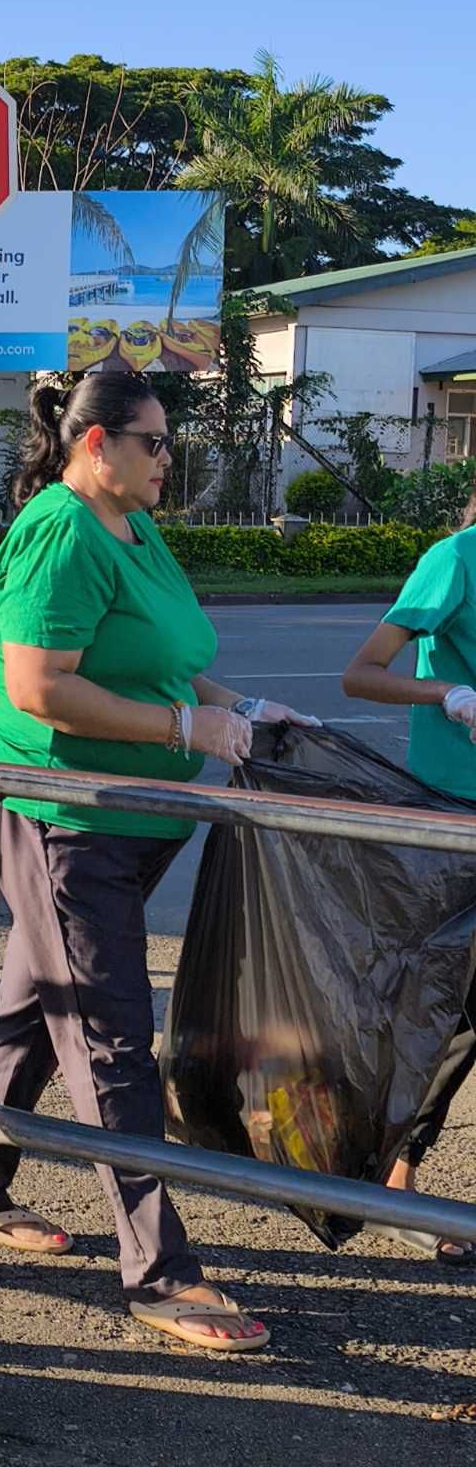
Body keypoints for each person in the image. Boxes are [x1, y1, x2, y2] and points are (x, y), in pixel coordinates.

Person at [0, 372, 320, 1353]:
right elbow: (38, 687)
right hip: (63, 819)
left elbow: (165, 660)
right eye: (154, 442)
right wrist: (184, 727)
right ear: (97, 443)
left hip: (127, 822)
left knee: (33, 1010)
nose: (168, 459)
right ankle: (159, 1270)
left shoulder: (131, 526)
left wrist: (240, 707)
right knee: (111, 1037)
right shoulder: (60, 532)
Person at [342, 495, 476, 1266]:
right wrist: (447, 694)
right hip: (453, 812)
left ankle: (392, 1171)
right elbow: (361, 675)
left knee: (461, 1007)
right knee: (445, 1000)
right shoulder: (455, 560)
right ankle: (391, 1173)